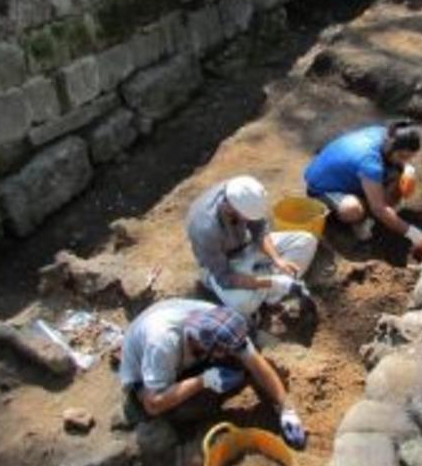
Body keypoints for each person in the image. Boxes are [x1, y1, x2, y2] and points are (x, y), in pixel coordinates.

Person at [119, 298, 306, 448]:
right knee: (191, 407)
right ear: (210, 349)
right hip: (142, 373)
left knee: (245, 359)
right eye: (227, 350)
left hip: (179, 346)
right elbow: (153, 404)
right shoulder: (162, 344)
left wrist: (286, 408)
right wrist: (204, 380)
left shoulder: (219, 321)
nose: (236, 351)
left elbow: (256, 363)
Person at [186, 175, 318, 320]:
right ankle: (274, 286)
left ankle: (269, 288)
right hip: (222, 266)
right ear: (232, 209)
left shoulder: (241, 191)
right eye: (247, 218)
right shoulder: (206, 229)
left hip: (244, 247)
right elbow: (225, 278)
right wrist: (274, 282)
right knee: (244, 305)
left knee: (306, 240)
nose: (249, 221)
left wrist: (277, 259)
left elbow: (260, 229)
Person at [304, 121, 422, 254]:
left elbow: (396, 164)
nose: (406, 161)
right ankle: (359, 222)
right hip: (322, 188)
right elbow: (379, 209)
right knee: (353, 210)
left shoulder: (386, 134)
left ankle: (371, 202)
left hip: (347, 174)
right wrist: (418, 237)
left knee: (398, 174)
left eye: (410, 157)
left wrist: (406, 169)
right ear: (391, 148)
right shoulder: (371, 163)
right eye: (402, 157)